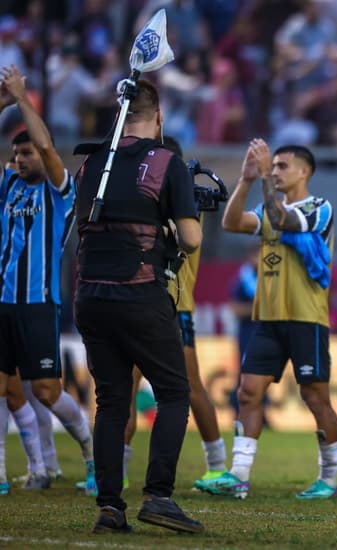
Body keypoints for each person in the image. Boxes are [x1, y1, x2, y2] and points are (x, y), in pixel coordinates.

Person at [73, 78, 204, 533]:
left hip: (89, 294)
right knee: (173, 392)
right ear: (159, 115)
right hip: (139, 292)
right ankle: (159, 497)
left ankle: (109, 508)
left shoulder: (91, 162)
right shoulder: (168, 162)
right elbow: (190, 239)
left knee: (111, 402)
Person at [196, 140, 337, 501]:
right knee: (247, 392)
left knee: (315, 397)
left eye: (282, 166)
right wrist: (246, 181)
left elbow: (282, 219)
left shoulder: (319, 208)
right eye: (273, 166)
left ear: (304, 171)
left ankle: (329, 477)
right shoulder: (265, 206)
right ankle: (238, 476)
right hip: (268, 318)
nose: (275, 172)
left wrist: (261, 175)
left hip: (307, 318)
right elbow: (231, 222)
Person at [112, 136, 227, 494]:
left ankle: (217, 468)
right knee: (127, 389)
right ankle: (119, 469)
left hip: (174, 306)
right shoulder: (160, 199)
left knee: (188, 389)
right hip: (145, 303)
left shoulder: (185, 200)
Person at [0, 65, 95, 493]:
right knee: (2, 390)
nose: (22, 160)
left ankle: (91, 453)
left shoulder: (59, 191)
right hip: (3, 303)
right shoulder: (7, 185)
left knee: (45, 390)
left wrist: (22, 98)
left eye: (29, 154)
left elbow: (45, 143)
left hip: (39, 304)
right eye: (17, 155)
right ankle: (17, 471)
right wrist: (3, 104)